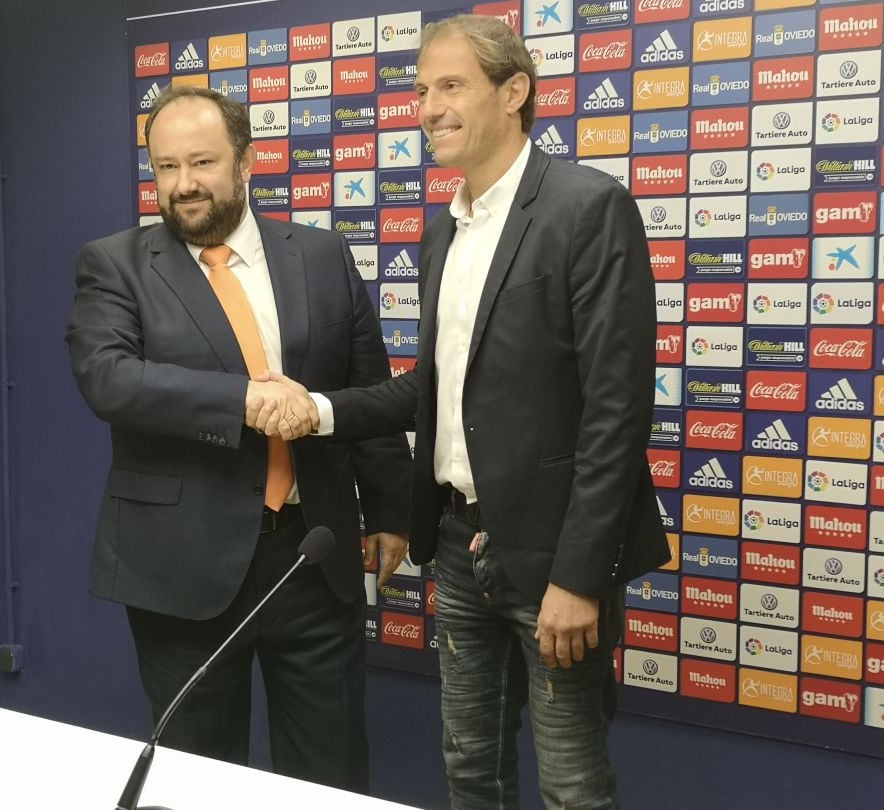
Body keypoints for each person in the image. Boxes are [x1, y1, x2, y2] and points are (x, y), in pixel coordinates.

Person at [253, 14, 670, 810]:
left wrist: (579, 579)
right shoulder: (444, 231)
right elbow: (436, 391)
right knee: (470, 773)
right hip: (456, 541)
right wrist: (318, 409)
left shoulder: (588, 208)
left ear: (514, 92)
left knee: (573, 787)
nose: (427, 107)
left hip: (553, 558)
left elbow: (616, 414)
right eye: (419, 89)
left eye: (451, 86)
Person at [65, 84, 411, 793]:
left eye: (202, 163)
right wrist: (245, 400)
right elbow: (108, 379)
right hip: (180, 570)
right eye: (165, 168)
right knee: (198, 782)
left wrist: (391, 511)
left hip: (313, 557)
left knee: (330, 776)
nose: (184, 185)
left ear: (246, 163)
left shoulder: (320, 256)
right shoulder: (115, 264)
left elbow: (365, 386)